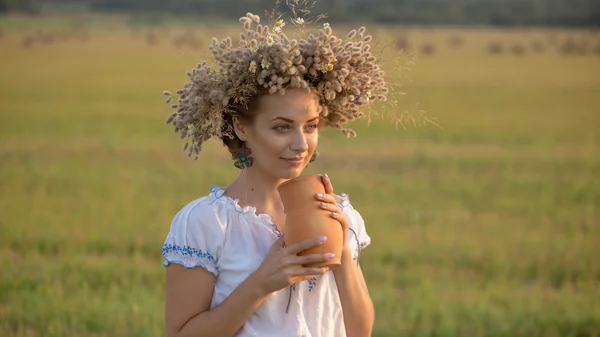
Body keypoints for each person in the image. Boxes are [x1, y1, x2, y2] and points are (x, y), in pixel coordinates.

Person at [160, 10, 392, 337]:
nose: (301, 144)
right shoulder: (207, 225)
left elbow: (360, 331)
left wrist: (342, 255)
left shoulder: (343, 216)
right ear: (241, 127)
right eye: (282, 127)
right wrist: (260, 284)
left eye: (310, 127)